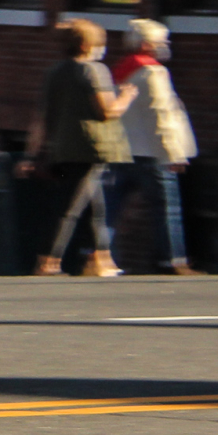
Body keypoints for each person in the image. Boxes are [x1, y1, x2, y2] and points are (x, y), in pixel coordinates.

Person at [20, 18, 132, 276]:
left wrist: (31, 153)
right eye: (100, 42)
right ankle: (48, 262)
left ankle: (100, 260)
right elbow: (107, 111)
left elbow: (42, 117)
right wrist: (126, 96)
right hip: (90, 148)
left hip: (64, 149)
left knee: (94, 206)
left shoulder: (55, 72)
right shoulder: (94, 70)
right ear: (86, 44)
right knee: (69, 209)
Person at [112, 19, 201, 275]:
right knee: (166, 210)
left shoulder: (120, 71)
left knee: (112, 210)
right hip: (152, 153)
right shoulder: (153, 72)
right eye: (161, 41)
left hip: (122, 151)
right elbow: (160, 115)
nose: (165, 46)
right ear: (146, 44)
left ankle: (102, 257)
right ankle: (173, 260)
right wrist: (173, 153)